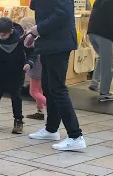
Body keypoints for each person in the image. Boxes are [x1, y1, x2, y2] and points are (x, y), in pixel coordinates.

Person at [26, 0, 86, 151]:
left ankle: (75, 136)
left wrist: (37, 29)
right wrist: (35, 34)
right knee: (48, 86)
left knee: (58, 89)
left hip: (59, 43)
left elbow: (62, 13)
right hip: (48, 42)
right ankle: (51, 129)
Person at [0, 17, 37, 134]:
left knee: (15, 96)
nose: (1, 37)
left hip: (17, 70)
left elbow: (32, 53)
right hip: (2, 69)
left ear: (11, 31)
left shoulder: (22, 38)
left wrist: (29, 63)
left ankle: (18, 120)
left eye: (3, 35)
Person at [19, 17, 46, 120]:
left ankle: (53, 106)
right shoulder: (39, 36)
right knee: (39, 90)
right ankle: (40, 111)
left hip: (35, 65)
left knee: (33, 91)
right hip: (41, 64)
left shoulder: (29, 37)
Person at [87, 0, 113, 102]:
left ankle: (94, 83)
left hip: (92, 32)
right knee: (107, 64)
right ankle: (104, 93)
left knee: (102, 58)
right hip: (104, 34)